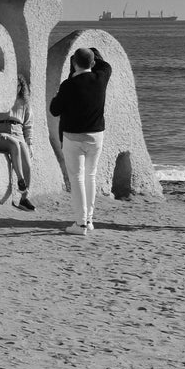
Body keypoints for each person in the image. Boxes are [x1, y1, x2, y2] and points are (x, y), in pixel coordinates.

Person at [49, 47, 111, 236]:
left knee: (77, 179)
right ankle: (89, 220)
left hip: (73, 137)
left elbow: (54, 110)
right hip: (95, 136)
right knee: (90, 176)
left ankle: (80, 223)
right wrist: (93, 55)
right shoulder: (101, 78)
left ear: (74, 63)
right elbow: (106, 65)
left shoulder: (69, 85)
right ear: (92, 63)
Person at [0, 74, 36, 212]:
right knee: (13, 144)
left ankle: (24, 198)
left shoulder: (24, 104)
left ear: (21, 87)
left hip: (19, 132)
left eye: (16, 85)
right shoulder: (0, 99)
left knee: (27, 163)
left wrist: (30, 144)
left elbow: (28, 126)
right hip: (1, 131)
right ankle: (20, 181)